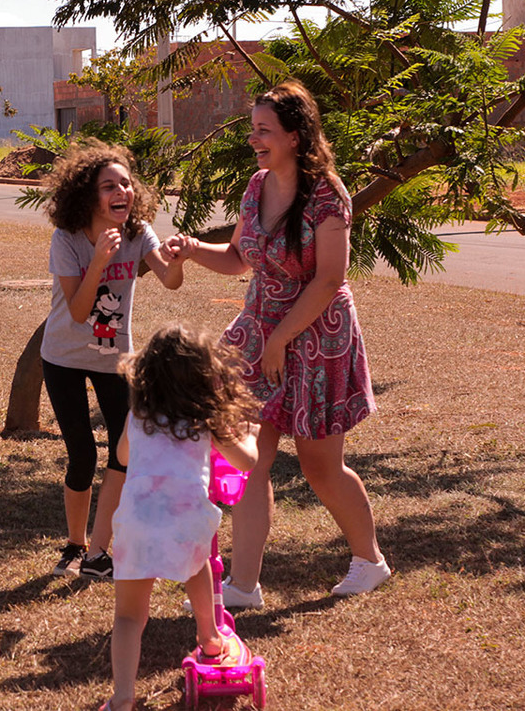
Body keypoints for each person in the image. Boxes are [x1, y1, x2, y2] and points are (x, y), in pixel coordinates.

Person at [165, 79, 389, 608]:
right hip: (259, 325)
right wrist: (193, 248)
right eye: (252, 129)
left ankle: (370, 560)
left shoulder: (327, 194)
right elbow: (240, 259)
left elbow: (329, 278)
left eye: (264, 130)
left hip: (317, 333)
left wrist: (281, 340)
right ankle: (243, 586)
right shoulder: (256, 184)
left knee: (319, 465)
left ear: (295, 134)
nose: (254, 139)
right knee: (249, 459)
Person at [40, 141, 186, 581]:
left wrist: (178, 260)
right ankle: (74, 543)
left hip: (114, 360)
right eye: (109, 186)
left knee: (126, 451)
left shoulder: (139, 233)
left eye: (126, 183)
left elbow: (170, 280)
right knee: (82, 455)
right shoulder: (67, 239)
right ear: (88, 195)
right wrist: (100, 259)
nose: (121, 191)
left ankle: (100, 551)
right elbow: (80, 311)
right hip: (63, 356)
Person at [103, 323, 260, 711]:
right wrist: (250, 433)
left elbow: (122, 458)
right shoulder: (203, 418)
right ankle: (209, 636)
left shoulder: (138, 415)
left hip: (135, 522)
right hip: (186, 516)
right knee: (197, 566)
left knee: (128, 616)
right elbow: (247, 460)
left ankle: (123, 695)